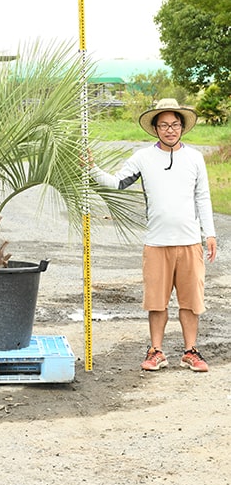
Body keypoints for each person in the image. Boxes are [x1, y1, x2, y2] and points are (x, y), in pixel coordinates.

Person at [89, 98, 217, 372]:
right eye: (163, 125)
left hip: (190, 242)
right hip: (156, 243)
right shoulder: (143, 158)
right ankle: (156, 351)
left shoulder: (194, 158)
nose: (169, 130)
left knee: (191, 302)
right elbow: (117, 182)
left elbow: (202, 197)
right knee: (156, 302)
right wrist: (92, 169)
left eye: (174, 124)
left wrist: (210, 233)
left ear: (182, 126)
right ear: (155, 129)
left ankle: (190, 351)